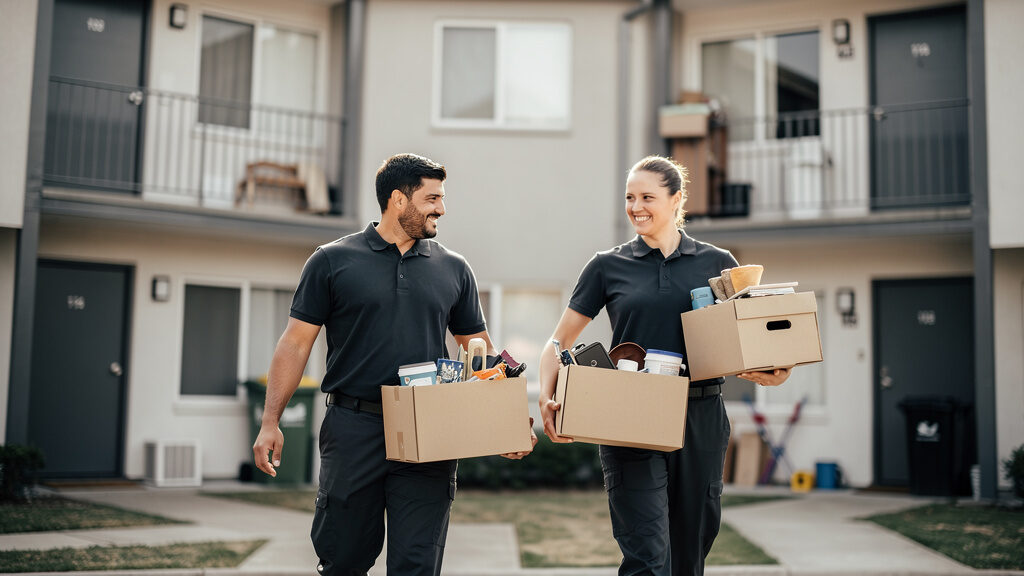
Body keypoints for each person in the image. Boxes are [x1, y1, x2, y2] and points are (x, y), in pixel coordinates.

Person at [253, 153, 536, 576]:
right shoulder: (332, 260)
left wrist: (510, 422)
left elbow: (479, 351)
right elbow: (295, 345)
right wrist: (270, 420)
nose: (442, 208)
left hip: (431, 428)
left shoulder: (453, 268)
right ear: (398, 201)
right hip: (353, 427)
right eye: (432, 198)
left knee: (417, 564)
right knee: (343, 560)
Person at [538, 156, 790, 576]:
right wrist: (548, 394)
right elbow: (557, 341)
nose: (635, 206)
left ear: (676, 200)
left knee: (690, 552)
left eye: (647, 197)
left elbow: (756, 337)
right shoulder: (607, 265)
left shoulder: (717, 262)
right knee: (647, 555)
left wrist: (778, 370)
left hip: (701, 414)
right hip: (629, 414)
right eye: (629, 197)